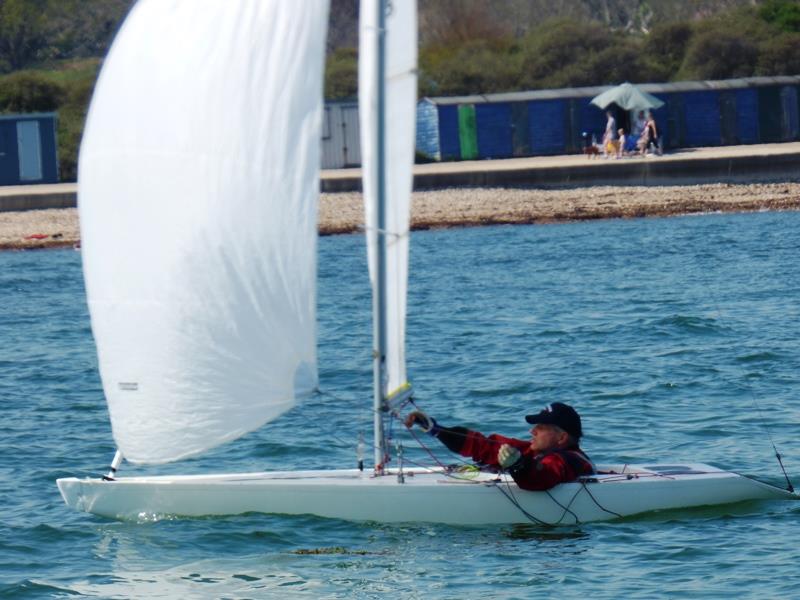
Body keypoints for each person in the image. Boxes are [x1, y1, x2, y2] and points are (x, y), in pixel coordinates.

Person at [405, 402, 594, 491]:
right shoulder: (533, 450)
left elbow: (542, 477)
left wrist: (518, 465)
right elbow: (481, 447)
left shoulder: (569, 460)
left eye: (541, 428)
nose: (532, 432)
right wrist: (435, 429)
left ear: (561, 438)